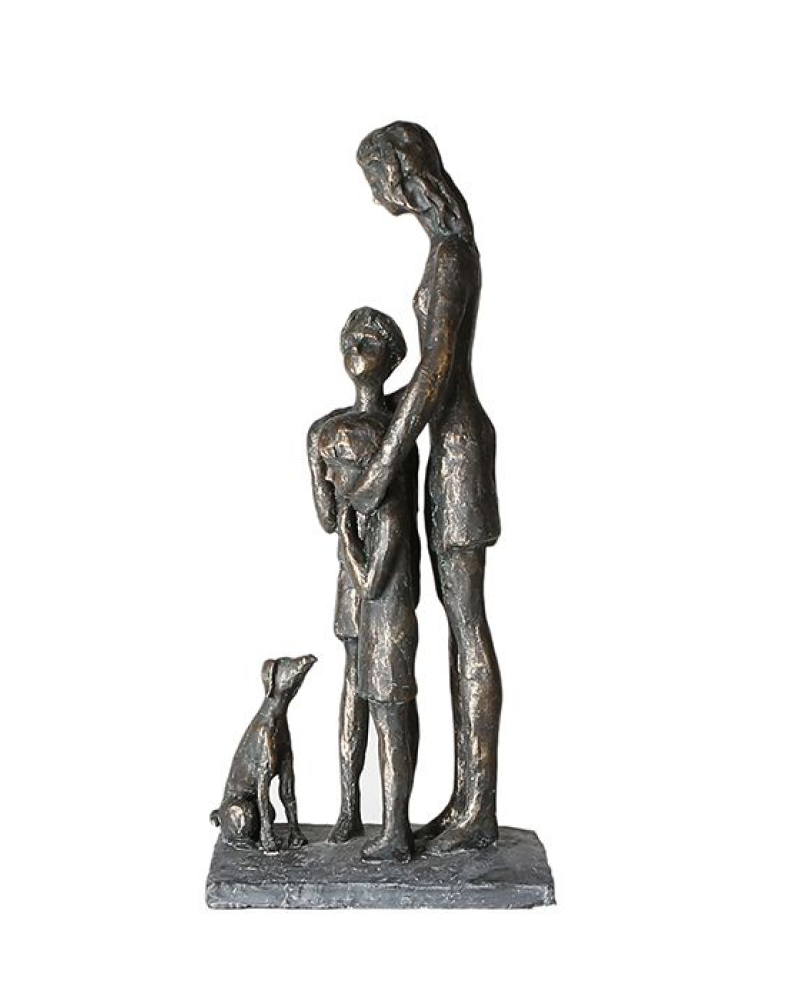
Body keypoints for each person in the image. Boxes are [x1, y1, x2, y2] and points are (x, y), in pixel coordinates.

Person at [349, 122, 502, 852]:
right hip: (449, 445)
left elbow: (438, 372)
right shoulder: (448, 248)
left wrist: (382, 463)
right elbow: (428, 374)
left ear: (398, 172)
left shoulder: (449, 255)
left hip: (459, 452)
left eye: (373, 178)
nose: (374, 194)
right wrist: (377, 413)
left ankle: (479, 809)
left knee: (467, 625)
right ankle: (468, 799)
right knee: (456, 625)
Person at [307, 307, 420, 861]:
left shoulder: (400, 431)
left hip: (386, 576)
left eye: (371, 340)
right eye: (351, 338)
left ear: (393, 358)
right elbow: (328, 516)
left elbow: (380, 517)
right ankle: (349, 809)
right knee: (353, 686)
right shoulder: (323, 430)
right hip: (351, 581)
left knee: (388, 695)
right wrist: (321, 469)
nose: (357, 347)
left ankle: (395, 826)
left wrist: (352, 525)